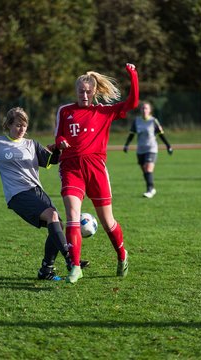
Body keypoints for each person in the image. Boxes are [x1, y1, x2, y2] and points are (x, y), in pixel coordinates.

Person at [55, 63, 139, 284]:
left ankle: (122, 255)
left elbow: (133, 103)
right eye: (81, 91)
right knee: (72, 215)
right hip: (71, 167)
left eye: (88, 91)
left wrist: (133, 76)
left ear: (94, 92)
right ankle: (75, 266)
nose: (84, 95)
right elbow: (58, 136)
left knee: (107, 221)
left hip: (96, 168)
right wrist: (60, 142)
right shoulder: (65, 111)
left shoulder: (103, 112)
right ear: (76, 91)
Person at [0, 107, 89, 281]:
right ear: (9, 125)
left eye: (24, 125)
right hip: (17, 195)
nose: (21, 129)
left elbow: (51, 161)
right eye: (18, 125)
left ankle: (46, 270)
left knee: (57, 224)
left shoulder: (31, 144)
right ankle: (70, 257)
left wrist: (58, 148)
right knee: (52, 215)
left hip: (37, 192)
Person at [123, 101, 173, 198]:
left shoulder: (153, 121)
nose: (144, 110)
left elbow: (161, 134)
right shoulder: (136, 121)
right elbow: (131, 134)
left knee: (148, 168)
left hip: (151, 148)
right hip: (140, 150)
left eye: (146, 108)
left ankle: (149, 190)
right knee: (145, 171)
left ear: (150, 110)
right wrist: (126, 145)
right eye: (142, 108)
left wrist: (168, 146)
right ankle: (152, 188)